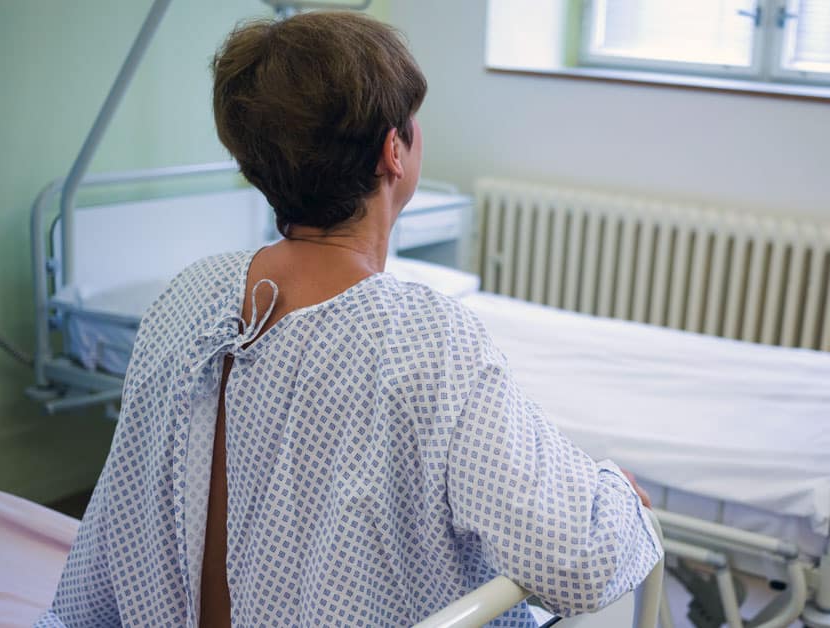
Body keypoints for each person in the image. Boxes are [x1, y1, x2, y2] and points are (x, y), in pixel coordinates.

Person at [36, 11, 661, 627]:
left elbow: (105, 551)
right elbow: (577, 562)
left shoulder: (186, 297)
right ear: (394, 150)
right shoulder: (425, 337)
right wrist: (613, 501)